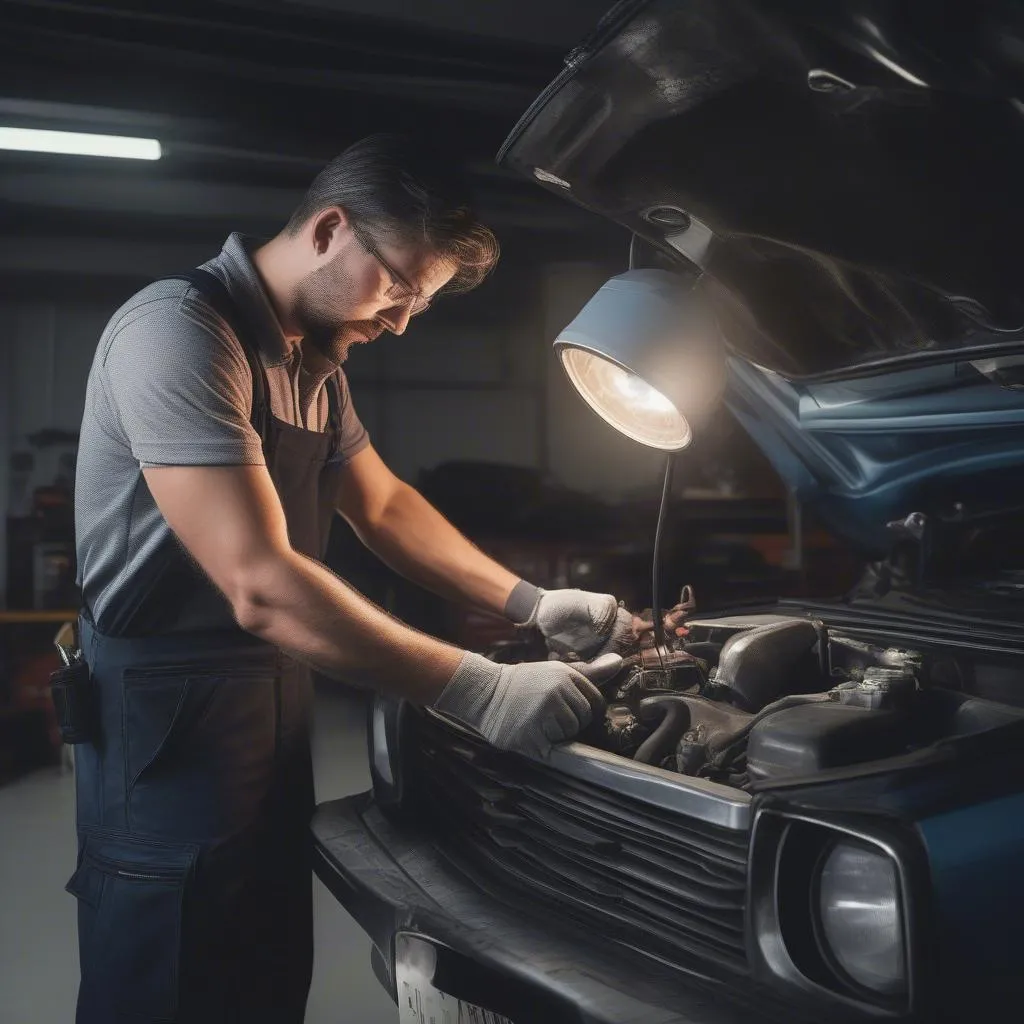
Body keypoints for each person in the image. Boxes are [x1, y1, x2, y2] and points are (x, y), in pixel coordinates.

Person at [69, 134, 632, 1023]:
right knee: (170, 973)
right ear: (331, 228)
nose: (403, 320)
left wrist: (533, 604)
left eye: (420, 302)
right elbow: (259, 581)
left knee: (261, 970)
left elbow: (384, 506)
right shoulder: (180, 333)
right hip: (164, 724)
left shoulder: (314, 365)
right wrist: (479, 689)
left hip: (267, 705)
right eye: (399, 288)